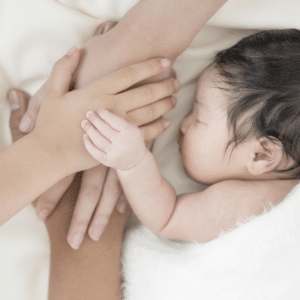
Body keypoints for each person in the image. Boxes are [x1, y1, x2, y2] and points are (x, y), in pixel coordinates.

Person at [81, 29, 300, 242]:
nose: (184, 125)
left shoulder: (239, 201)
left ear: (261, 155)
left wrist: (134, 163)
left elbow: (167, 218)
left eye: (199, 118)